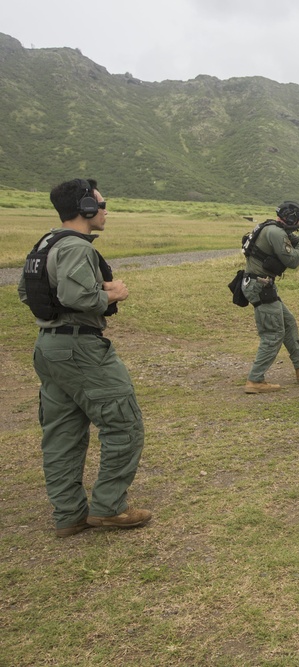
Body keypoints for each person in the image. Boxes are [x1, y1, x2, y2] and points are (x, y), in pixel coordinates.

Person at [18, 178, 151, 537]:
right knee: (124, 423)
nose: (106, 209)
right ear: (86, 208)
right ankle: (109, 507)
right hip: (80, 348)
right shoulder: (77, 247)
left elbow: (27, 291)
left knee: (62, 433)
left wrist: (94, 289)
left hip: (49, 345)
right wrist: (112, 294)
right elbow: (80, 298)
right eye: (101, 203)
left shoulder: (46, 243)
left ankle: (69, 514)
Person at [241, 201, 299, 393]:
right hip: (260, 286)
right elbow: (292, 259)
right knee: (273, 334)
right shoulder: (275, 233)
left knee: (289, 322)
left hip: (262, 284)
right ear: (291, 218)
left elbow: (294, 242)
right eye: (298, 219)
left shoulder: (273, 228)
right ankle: (255, 380)